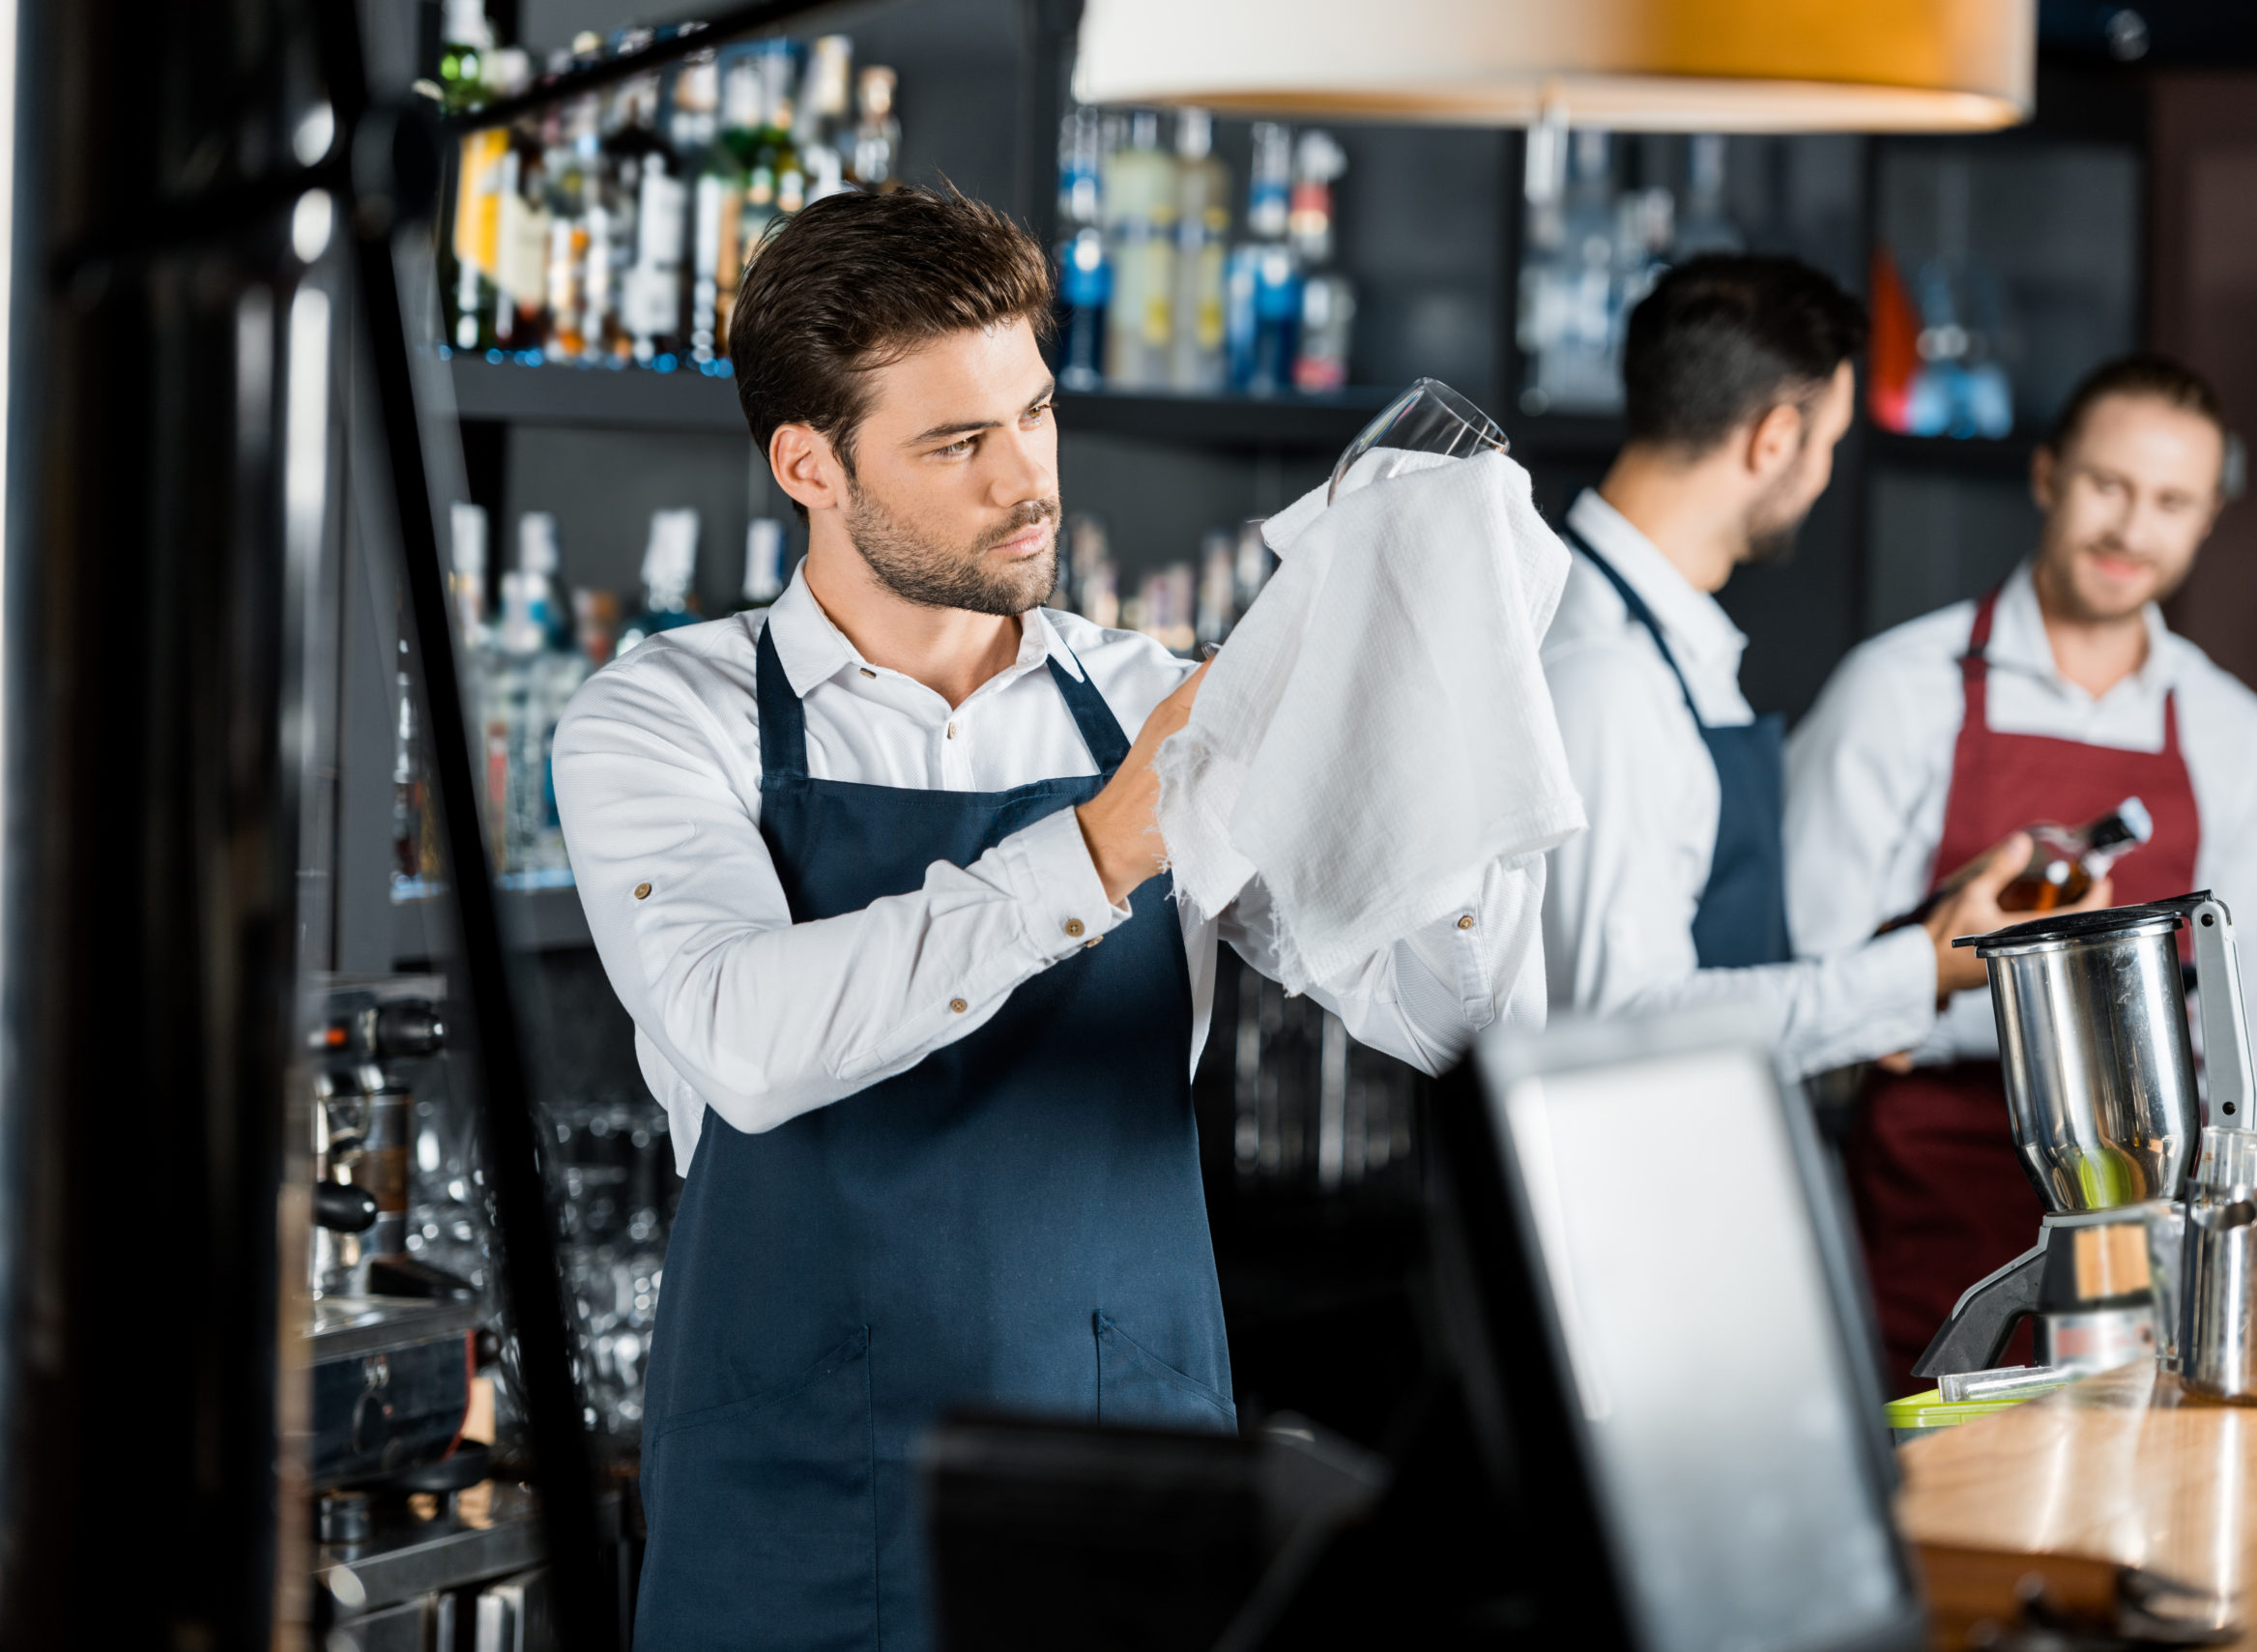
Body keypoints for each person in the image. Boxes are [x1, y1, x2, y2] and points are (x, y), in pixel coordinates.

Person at [552, 188, 1545, 1650]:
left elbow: (1456, 1016)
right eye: (957, 443)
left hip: (1116, 1466)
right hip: (795, 1483)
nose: (1026, 481)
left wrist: (1429, 728)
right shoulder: (662, 715)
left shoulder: (1153, 698)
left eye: (1036, 414)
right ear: (807, 463)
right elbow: (738, 1037)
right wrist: (1096, 849)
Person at [1785, 352, 2257, 1386]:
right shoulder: (1894, 692)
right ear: (2046, 476)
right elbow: (1811, 984)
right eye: (2108, 485)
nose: (2130, 528)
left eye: (2169, 500)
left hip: (2148, 1214)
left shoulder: (2233, 732)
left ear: (2206, 519)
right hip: (1921, 1189)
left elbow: (2253, 1019)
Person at [1542, 255, 2065, 1076]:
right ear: (1774, 439)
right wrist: (1921, 968)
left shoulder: (1662, 643)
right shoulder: (1608, 671)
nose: (1821, 474)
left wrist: (1918, 944)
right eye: (1826, 443)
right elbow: (1630, 1026)